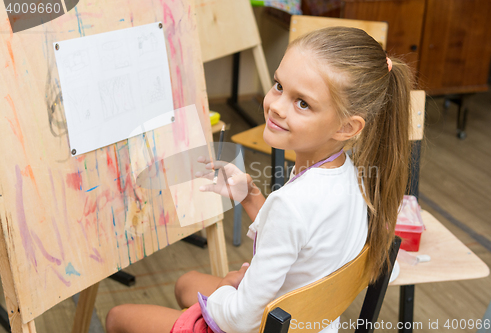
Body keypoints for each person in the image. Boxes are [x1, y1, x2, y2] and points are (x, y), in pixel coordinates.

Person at [105, 26, 414, 333]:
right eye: (279, 85)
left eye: (302, 102)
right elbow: (302, 236)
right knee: (187, 283)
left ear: (346, 128)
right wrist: (251, 197)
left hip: (264, 325)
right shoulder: (355, 179)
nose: (275, 106)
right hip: (312, 323)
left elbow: (241, 320)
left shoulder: (291, 206)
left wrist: (228, 286)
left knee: (117, 317)